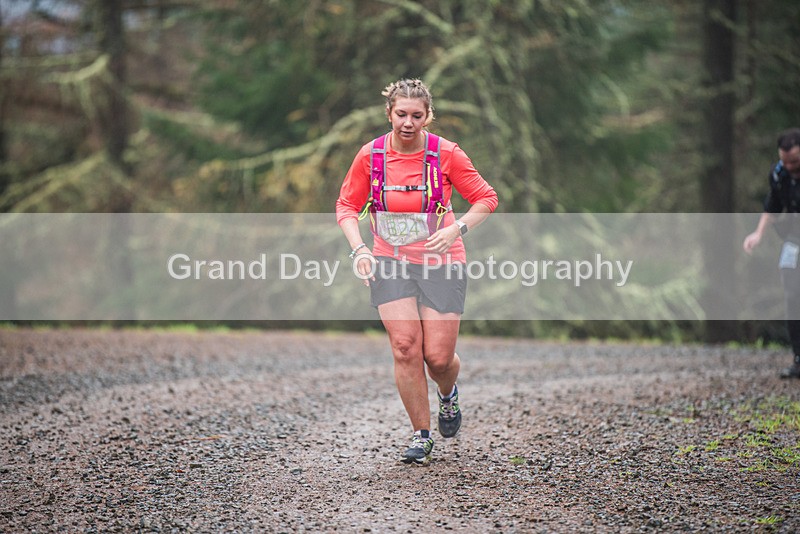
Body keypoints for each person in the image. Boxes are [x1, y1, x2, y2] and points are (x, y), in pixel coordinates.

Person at [336, 79, 498, 465]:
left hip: (442, 260)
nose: (408, 123)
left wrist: (456, 229)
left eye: (417, 115)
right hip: (389, 260)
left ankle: (448, 394)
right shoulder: (371, 155)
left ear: (428, 116)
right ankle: (421, 436)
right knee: (406, 347)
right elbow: (346, 206)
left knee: (438, 358)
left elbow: (486, 198)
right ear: (389, 113)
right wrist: (359, 249)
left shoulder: (446, 153)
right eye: (401, 114)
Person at [743, 127, 800, 379]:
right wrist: (758, 233)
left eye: (794, 161)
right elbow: (773, 207)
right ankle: (798, 359)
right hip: (793, 240)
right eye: (785, 161)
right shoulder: (779, 174)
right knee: (792, 296)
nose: (789, 166)